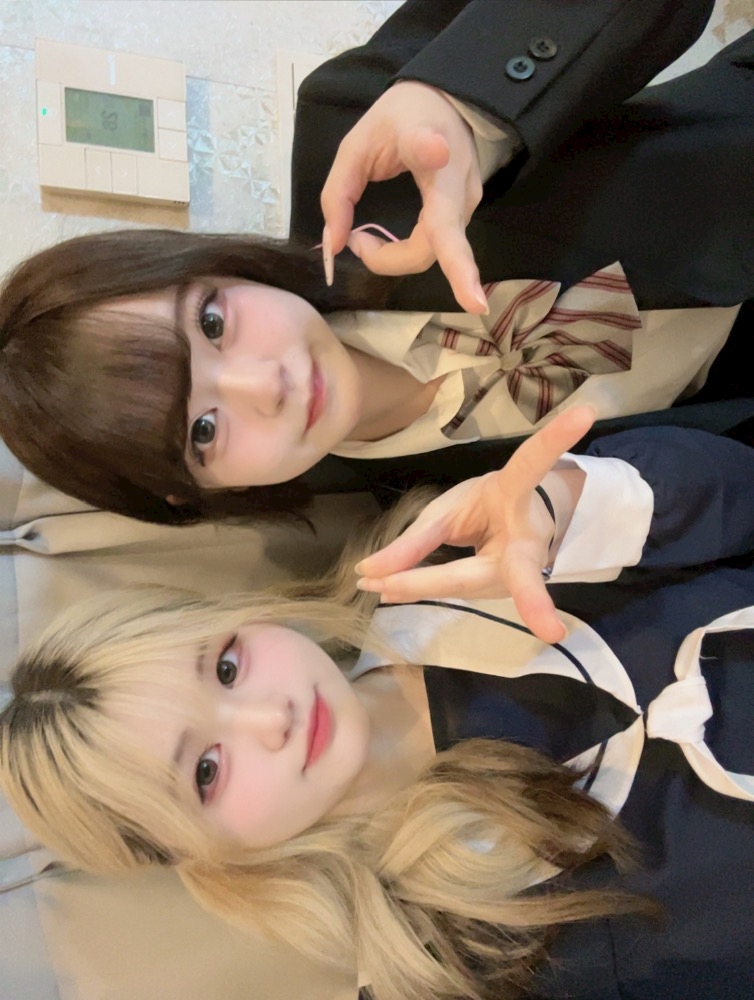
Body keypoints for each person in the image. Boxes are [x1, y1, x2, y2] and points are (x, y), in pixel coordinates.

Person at [2, 408, 754, 999]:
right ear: (196, 855)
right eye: (206, 770)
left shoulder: (447, 554)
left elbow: (742, 492)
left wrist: (565, 507)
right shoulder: (450, 964)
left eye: (226, 667)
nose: (271, 717)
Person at [1, 0, 752, 527]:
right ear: (192, 496)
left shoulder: (357, 142)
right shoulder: (417, 523)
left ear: (217, 268)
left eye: (213, 322)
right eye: (202, 430)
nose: (265, 384)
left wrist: (473, 109)